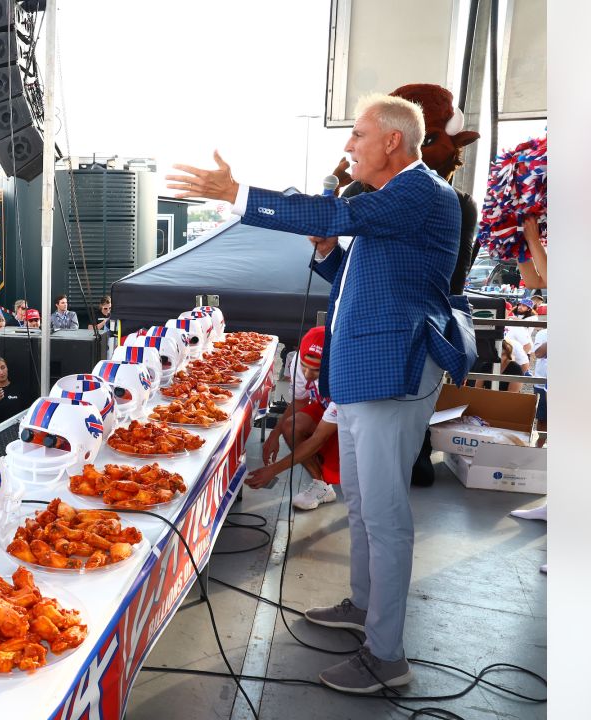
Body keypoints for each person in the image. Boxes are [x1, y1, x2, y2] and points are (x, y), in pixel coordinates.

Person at [168, 93, 463, 693]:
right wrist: (330, 258)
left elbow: (327, 216)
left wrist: (238, 194)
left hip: (391, 374)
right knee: (360, 502)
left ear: (393, 143)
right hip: (362, 377)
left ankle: (387, 658)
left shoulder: (419, 191)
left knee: (384, 515)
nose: (348, 147)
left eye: (357, 135)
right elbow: (363, 280)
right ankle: (364, 607)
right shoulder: (391, 202)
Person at [252, 328, 341, 511]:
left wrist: (273, 470)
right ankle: (321, 486)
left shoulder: (343, 376)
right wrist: (275, 435)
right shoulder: (297, 361)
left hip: (355, 422)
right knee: (291, 426)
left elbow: (319, 439)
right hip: (327, 409)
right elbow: (299, 401)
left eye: (315, 370)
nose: (307, 374)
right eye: (304, 366)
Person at [0, 355, 29, 427]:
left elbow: (27, 412)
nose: (1, 372)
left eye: (3, 367)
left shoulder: (19, 388)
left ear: (7, 368)